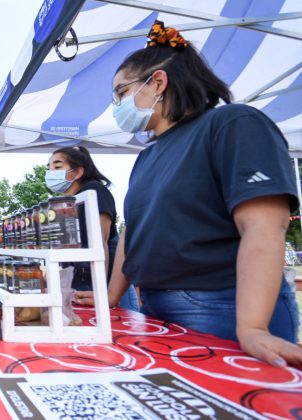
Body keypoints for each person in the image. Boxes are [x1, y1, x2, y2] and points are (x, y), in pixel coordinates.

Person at [107, 20, 301, 367]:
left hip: (224, 307)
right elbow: (131, 235)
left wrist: (253, 327)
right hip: (154, 307)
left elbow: (263, 227)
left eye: (121, 92)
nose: (117, 104)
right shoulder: (147, 157)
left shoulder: (232, 124)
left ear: (158, 82)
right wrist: (110, 298)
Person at [46, 146, 139, 311]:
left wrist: (101, 291)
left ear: (77, 172)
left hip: (104, 284)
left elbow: (100, 242)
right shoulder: (69, 202)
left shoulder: (95, 192)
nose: (50, 172)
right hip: (82, 284)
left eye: (57, 167)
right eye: (49, 168)